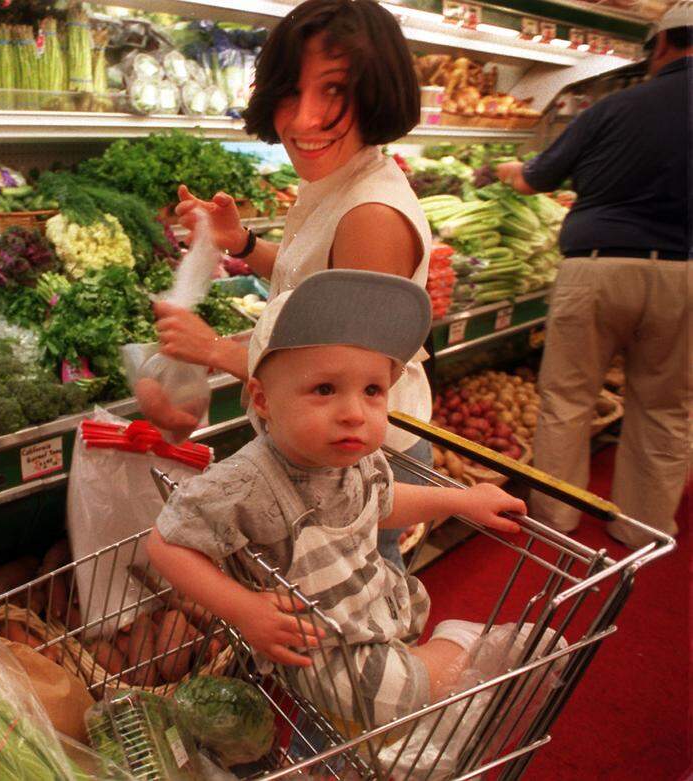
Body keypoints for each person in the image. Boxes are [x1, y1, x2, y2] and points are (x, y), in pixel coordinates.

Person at [146, 270, 530, 733]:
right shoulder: (245, 482)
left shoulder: (355, 459)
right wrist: (244, 610)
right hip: (318, 649)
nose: (353, 413)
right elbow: (166, 544)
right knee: (394, 700)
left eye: (372, 391)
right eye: (325, 389)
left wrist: (462, 500)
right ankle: (461, 650)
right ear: (264, 400)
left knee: (386, 698)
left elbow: (384, 503)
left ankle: (441, 660)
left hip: (364, 610)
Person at [137, 0, 433, 570]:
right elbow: (319, 284)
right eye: (291, 92)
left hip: (362, 454)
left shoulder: (371, 214)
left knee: (361, 612)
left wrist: (214, 350)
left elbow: (337, 376)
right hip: (328, 445)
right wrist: (243, 244)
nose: (303, 120)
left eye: (334, 91)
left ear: (376, 91)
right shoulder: (342, 181)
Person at [495, 1, 691, 548]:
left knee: (568, 396)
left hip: (598, 267)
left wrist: (511, 170)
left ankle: (556, 519)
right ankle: (642, 527)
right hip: (685, 274)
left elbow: (536, 181)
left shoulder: (615, 108)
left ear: (660, 46)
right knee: (667, 409)